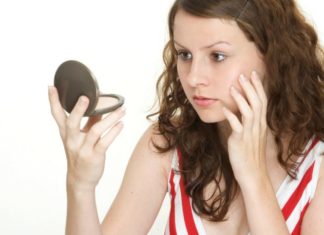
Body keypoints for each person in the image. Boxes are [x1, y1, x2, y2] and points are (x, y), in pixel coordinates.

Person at [48, 0, 324, 234]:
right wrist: (80, 185)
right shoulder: (168, 144)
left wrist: (254, 178)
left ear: (272, 54)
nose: (193, 78)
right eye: (185, 54)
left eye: (217, 55)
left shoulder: (317, 166)